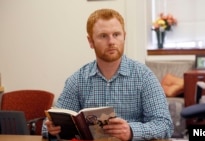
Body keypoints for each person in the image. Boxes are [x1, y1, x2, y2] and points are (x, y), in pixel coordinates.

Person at [43, 8, 174, 141]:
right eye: (103, 36)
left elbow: (165, 125)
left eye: (116, 34)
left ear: (124, 36)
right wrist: (51, 129)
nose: (111, 41)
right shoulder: (77, 80)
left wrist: (131, 131)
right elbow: (47, 125)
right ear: (90, 41)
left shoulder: (144, 76)